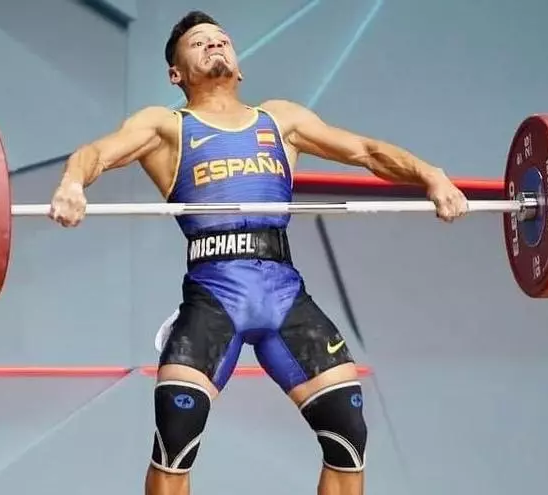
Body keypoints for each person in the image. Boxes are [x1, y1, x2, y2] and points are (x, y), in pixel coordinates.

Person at [48, 10, 468, 495]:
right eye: (198, 43)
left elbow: (367, 152)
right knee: (176, 441)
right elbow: (96, 154)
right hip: (214, 298)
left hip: (284, 295)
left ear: (239, 65)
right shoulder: (166, 126)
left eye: (221, 40)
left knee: (348, 435)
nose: (213, 45)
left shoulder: (281, 120)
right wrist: (73, 183)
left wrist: (432, 176)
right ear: (175, 74)